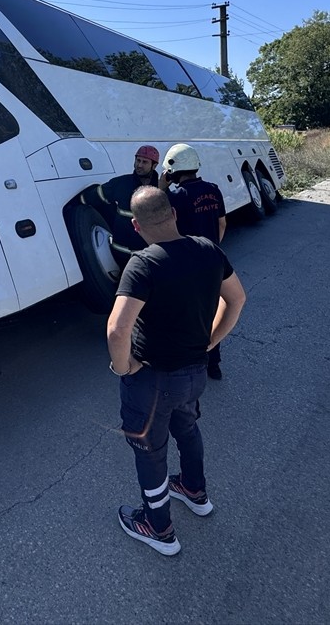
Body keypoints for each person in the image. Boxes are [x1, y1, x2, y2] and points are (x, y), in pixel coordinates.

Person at [107, 187, 245, 556]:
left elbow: (118, 329)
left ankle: (159, 527)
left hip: (153, 380)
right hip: (194, 374)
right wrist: (211, 341)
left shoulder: (143, 264)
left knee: (149, 450)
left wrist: (123, 368)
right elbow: (237, 298)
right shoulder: (208, 249)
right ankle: (195, 491)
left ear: (136, 226)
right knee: (188, 429)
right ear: (173, 213)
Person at [160, 143, 229, 380]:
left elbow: (161, 223)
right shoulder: (214, 189)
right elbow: (221, 224)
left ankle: (189, 361)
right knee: (211, 310)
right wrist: (212, 248)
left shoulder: (176, 196)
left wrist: (161, 188)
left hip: (187, 263)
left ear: (172, 170)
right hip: (213, 259)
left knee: (188, 312)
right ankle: (214, 363)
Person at [81, 145, 161, 260]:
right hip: (121, 256)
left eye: (144, 162)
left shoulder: (161, 191)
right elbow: (94, 196)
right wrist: (78, 202)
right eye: (138, 160)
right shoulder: (122, 184)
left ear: (154, 165)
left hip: (147, 256)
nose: (139, 165)